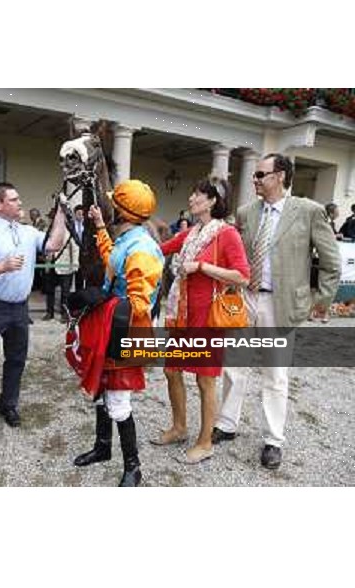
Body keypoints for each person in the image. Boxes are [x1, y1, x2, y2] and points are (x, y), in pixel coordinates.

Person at [213, 154, 340, 469]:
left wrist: (317, 301)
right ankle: (227, 424)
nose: (254, 179)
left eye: (260, 174)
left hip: (280, 304)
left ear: (280, 176)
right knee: (234, 365)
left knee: (275, 374)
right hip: (246, 299)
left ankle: (272, 440)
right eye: (255, 174)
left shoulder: (308, 211)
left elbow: (331, 261)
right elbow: (235, 254)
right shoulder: (246, 212)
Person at [71, 179, 164, 487]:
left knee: (119, 402)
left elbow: (139, 305)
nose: (106, 207)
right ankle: (102, 448)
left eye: (111, 205)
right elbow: (113, 259)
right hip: (111, 326)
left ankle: (133, 467)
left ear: (122, 213)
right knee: (101, 392)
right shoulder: (127, 238)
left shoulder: (142, 250)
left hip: (125, 331)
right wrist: (99, 226)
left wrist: (100, 298)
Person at [152, 178, 250, 464]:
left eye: (198, 194)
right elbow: (159, 248)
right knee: (172, 371)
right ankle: (180, 427)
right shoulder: (192, 232)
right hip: (183, 314)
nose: (192, 197)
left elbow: (243, 276)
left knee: (205, 380)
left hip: (208, 318)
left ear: (212, 201)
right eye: (193, 192)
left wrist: (202, 267)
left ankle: (205, 442)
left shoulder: (227, 234)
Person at [0, 182, 66, 435]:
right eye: (13, 199)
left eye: (19, 198)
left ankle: (8, 405)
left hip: (20, 308)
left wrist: (62, 213)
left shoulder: (29, 232)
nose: (20, 203)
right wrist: (2, 266)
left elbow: (53, 244)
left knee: (16, 359)